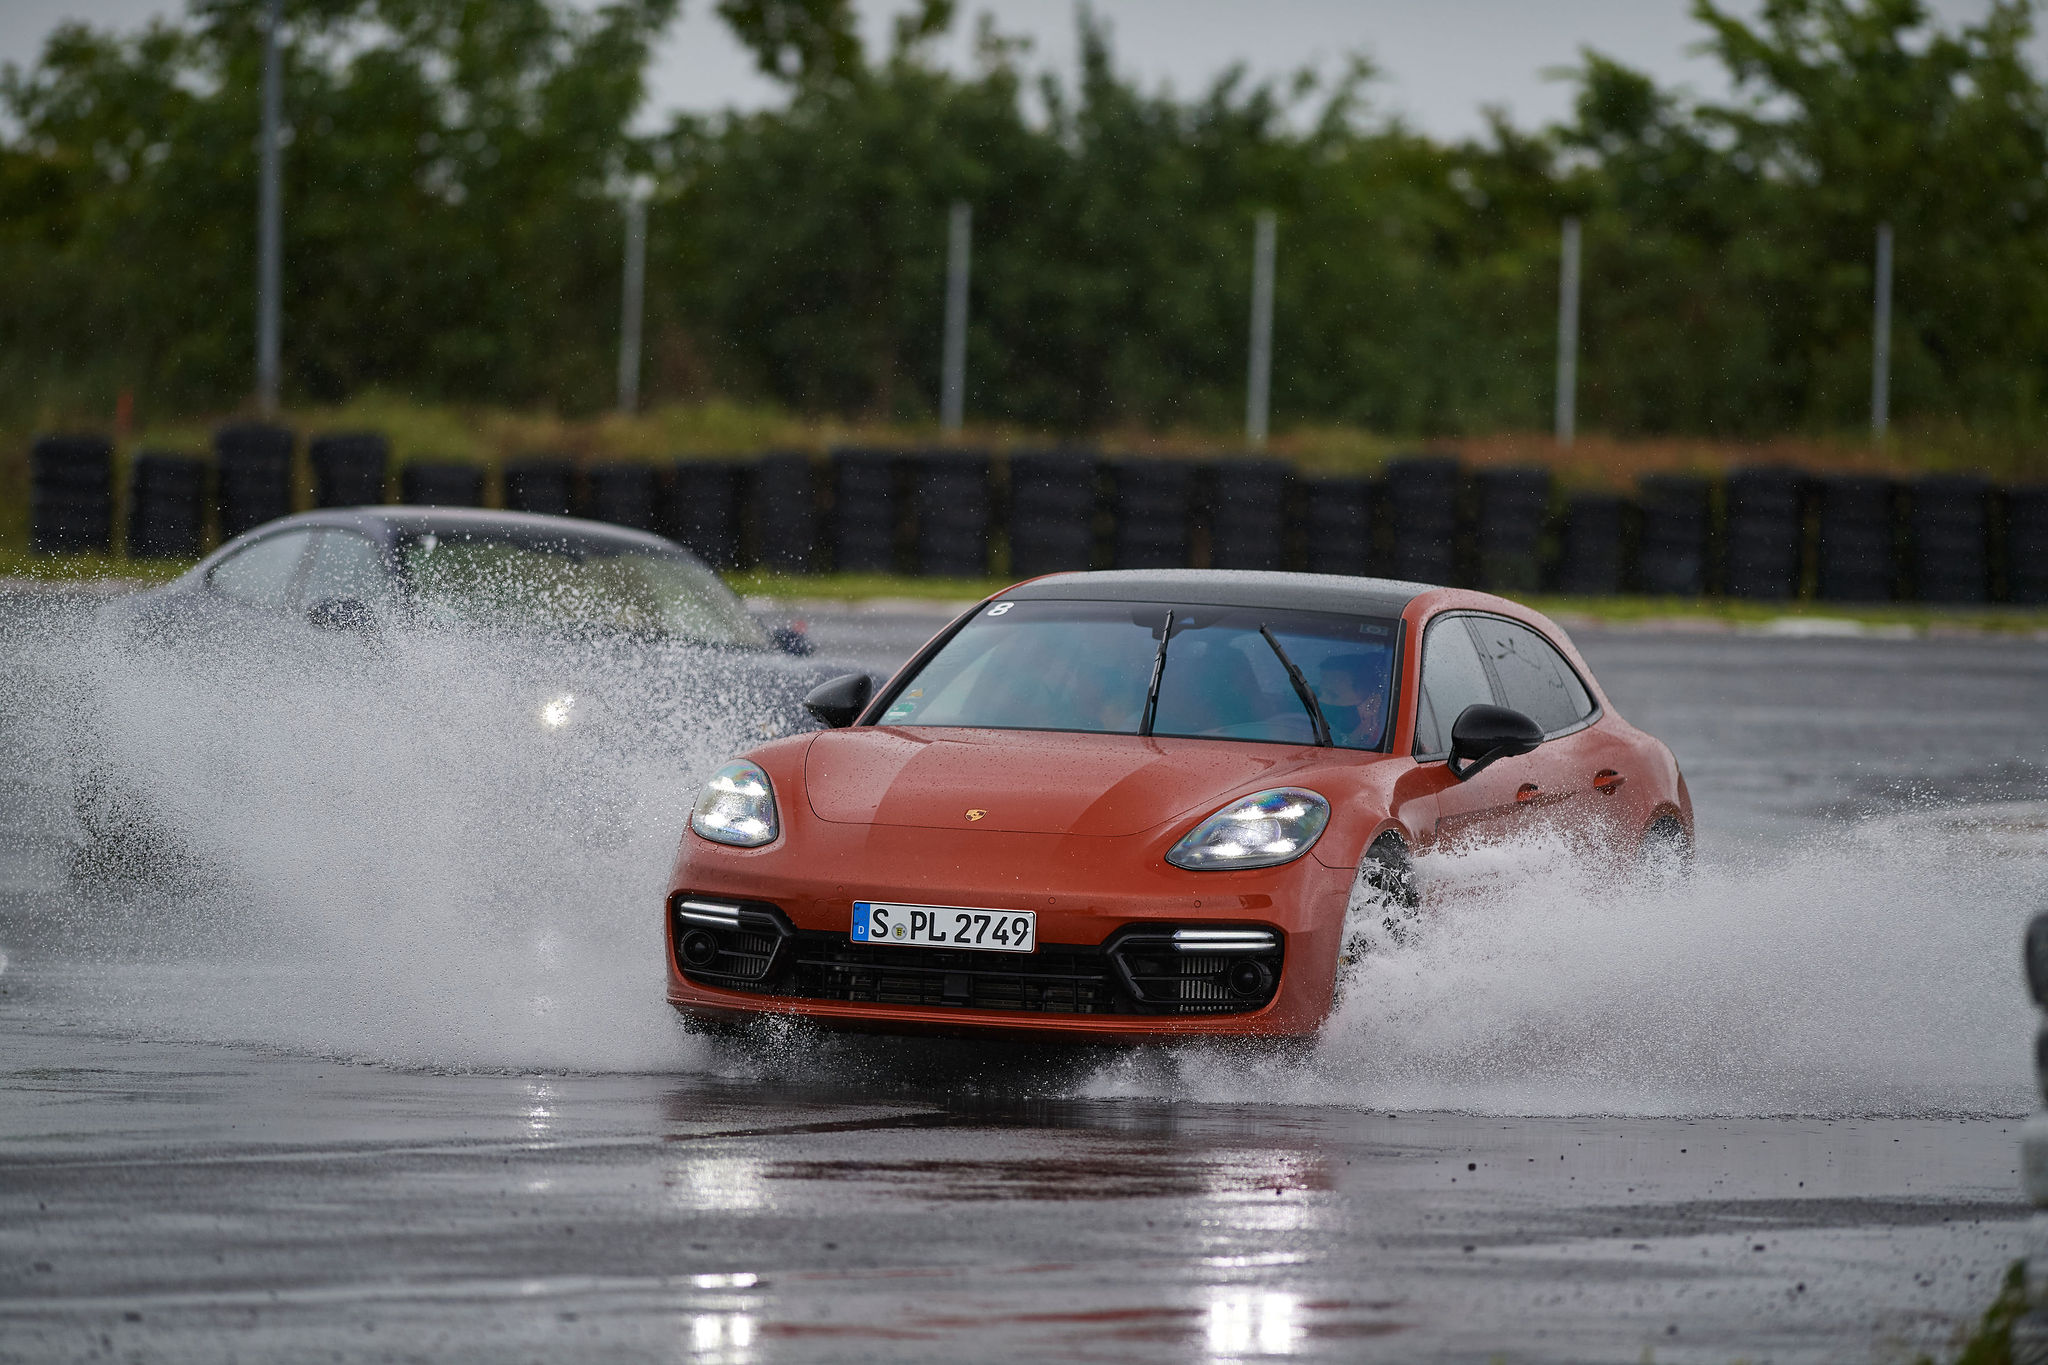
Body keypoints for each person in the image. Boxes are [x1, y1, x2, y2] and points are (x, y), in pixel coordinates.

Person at [1316, 653, 1387, 748]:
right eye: (1319, 694)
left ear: (1372, 705)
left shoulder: (1386, 751)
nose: (1320, 701)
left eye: (1333, 696)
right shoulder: (1309, 734)